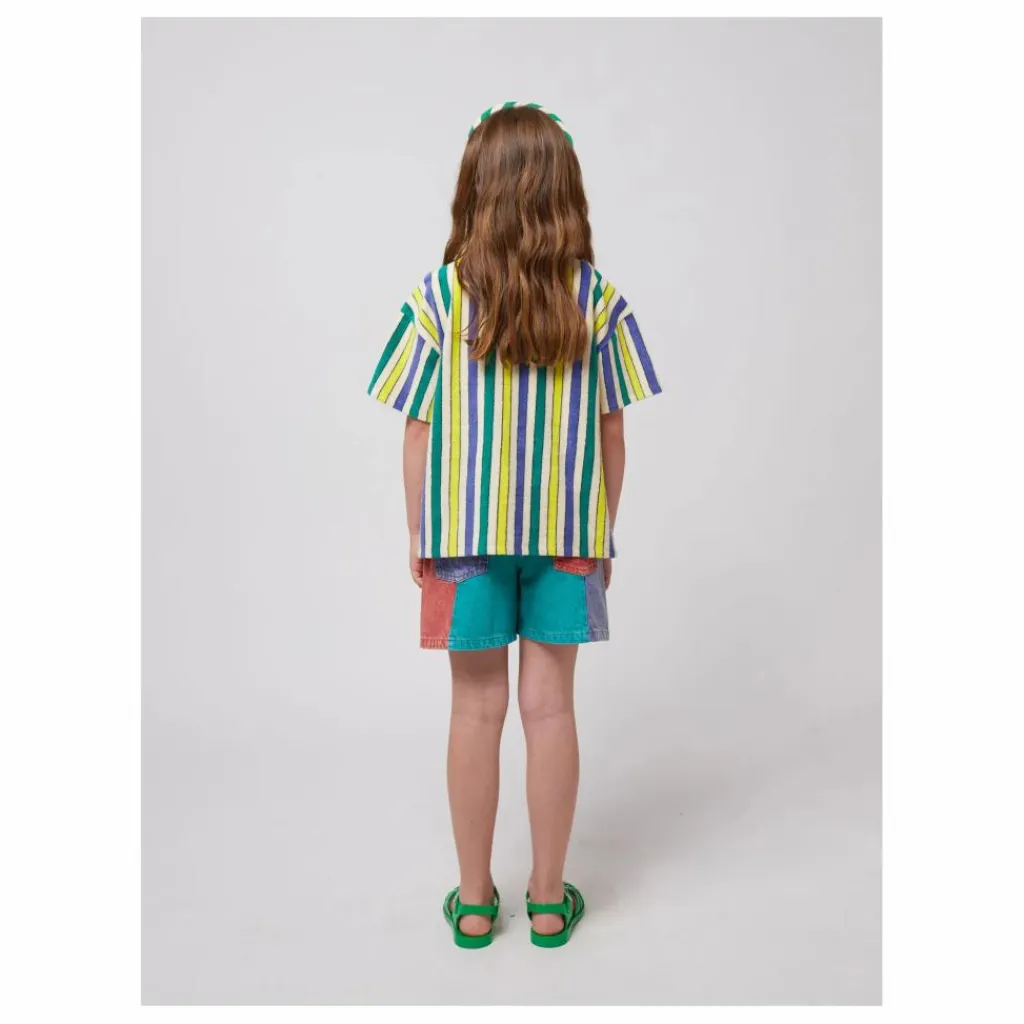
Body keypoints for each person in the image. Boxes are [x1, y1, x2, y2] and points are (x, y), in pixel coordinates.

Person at [367, 102, 662, 948]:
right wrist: (600, 535)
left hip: (461, 540)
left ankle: (472, 902)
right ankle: (546, 899)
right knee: (551, 709)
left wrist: (419, 534)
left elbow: (416, 429)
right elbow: (612, 430)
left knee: (473, 708)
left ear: (476, 186)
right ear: (566, 191)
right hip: (567, 536)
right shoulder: (596, 301)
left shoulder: (439, 297)